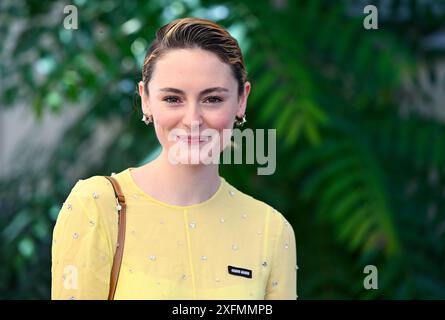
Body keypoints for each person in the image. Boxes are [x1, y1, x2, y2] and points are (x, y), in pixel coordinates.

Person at [51, 17, 297, 300]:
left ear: (242, 100)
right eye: (172, 99)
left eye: (213, 99)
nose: (193, 120)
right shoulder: (97, 206)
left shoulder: (270, 230)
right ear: (146, 99)